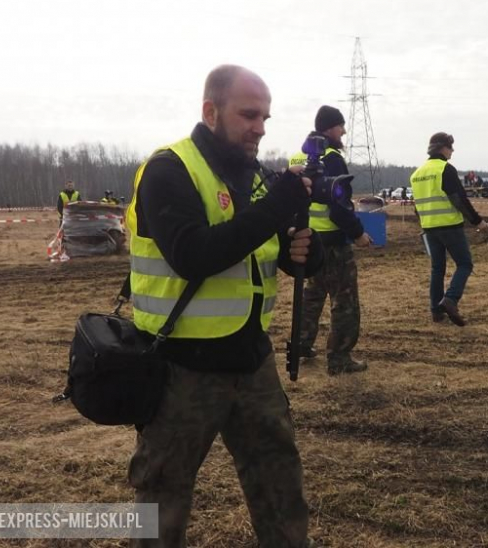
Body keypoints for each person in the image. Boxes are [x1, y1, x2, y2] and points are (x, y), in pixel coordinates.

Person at [125, 64, 320, 548]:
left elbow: (261, 250)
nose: (260, 128)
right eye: (249, 115)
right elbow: (195, 255)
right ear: (211, 111)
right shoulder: (168, 170)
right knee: (161, 502)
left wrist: (301, 255)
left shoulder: (254, 177)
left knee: (281, 490)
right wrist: (278, 206)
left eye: (265, 119)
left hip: (253, 363)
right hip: (182, 371)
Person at [288, 105, 372, 375]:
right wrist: (358, 233)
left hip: (308, 239)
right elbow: (339, 206)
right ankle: (339, 358)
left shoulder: (296, 157)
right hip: (334, 243)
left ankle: (300, 345)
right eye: (340, 126)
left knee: (311, 297)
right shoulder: (332, 157)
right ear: (328, 128)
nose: (344, 131)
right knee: (344, 302)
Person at [410, 132, 488, 326]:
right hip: (450, 227)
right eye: (451, 147)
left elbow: (416, 206)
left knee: (437, 268)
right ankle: (451, 300)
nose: (453, 151)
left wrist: (424, 224)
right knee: (465, 264)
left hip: (429, 228)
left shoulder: (417, 174)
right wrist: (477, 221)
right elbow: (459, 200)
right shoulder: (445, 169)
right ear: (443, 148)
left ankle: (436, 311)